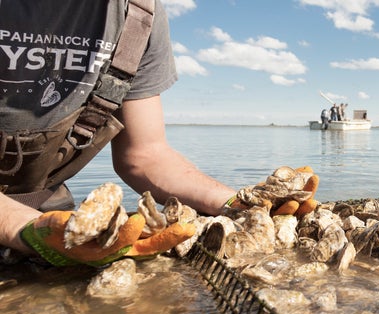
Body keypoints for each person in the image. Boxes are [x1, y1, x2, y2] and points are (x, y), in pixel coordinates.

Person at [0, 1, 288, 264]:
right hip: (34, 224)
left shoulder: (139, 14)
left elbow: (146, 156)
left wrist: (238, 204)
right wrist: (19, 226)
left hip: (48, 213)